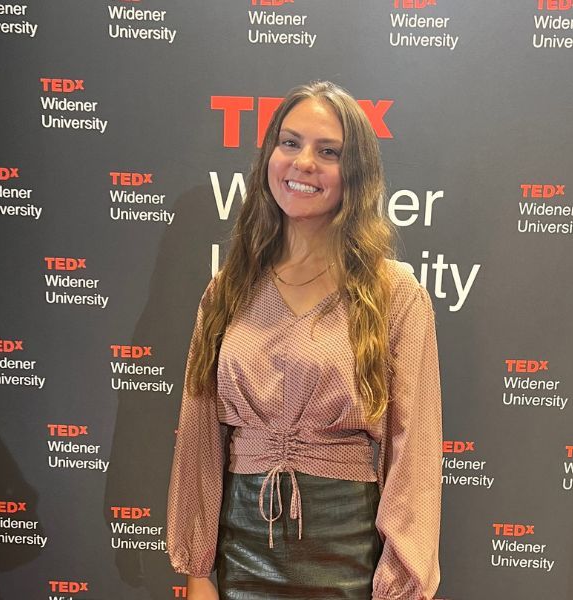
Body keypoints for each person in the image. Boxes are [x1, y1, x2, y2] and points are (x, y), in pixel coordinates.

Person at [165, 80, 442, 599]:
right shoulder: (229, 289)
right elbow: (199, 432)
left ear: (355, 172)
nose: (304, 162)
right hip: (241, 548)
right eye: (289, 143)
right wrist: (197, 570)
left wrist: (402, 584)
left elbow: (414, 456)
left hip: (347, 550)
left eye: (328, 151)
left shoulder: (395, 294)